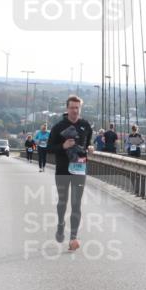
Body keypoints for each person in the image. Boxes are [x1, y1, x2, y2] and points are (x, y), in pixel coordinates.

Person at [47, 95, 94, 252]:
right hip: (62, 169)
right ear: (67, 109)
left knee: (76, 203)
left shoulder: (86, 126)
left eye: (77, 108)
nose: (74, 110)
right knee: (62, 201)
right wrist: (63, 145)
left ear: (80, 108)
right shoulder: (58, 127)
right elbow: (49, 148)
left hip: (79, 169)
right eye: (72, 107)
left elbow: (87, 145)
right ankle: (61, 224)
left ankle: (73, 237)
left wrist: (90, 148)